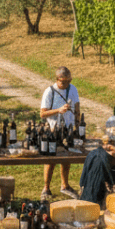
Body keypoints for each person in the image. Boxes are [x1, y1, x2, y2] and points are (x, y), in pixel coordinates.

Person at [39, 67, 80, 200]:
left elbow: (77, 106)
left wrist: (77, 124)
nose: (67, 83)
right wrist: (58, 110)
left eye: (69, 80)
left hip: (68, 130)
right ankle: (46, 187)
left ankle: (65, 185)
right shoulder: (49, 92)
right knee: (51, 160)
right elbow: (42, 113)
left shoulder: (73, 89)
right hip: (53, 130)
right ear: (57, 80)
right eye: (64, 81)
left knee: (66, 159)